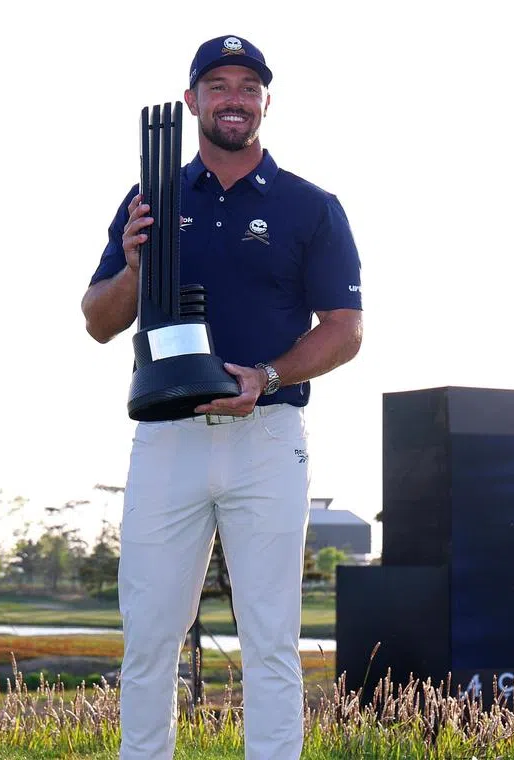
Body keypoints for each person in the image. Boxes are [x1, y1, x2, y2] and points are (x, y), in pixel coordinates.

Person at [80, 34, 363, 760]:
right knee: (149, 636)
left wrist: (267, 375)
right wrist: (135, 268)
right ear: (192, 100)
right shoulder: (150, 197)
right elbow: (99, 321)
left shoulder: (311, 206)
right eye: (218, 85)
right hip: (167, 435)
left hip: (267, 437)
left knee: (271, 638)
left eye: (248, 87)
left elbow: (345, 330)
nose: (234, 99)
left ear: (266, 102)